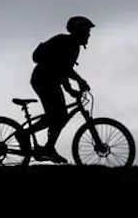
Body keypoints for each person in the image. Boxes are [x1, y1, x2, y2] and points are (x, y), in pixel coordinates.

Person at [28, 16, 94, 163]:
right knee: (57, 116)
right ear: (79, 31)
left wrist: (70, 89)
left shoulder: (72, 46)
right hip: (43, 80)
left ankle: (49, 147)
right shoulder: (67, 43)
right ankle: (27, 136)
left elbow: (62, 70)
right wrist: (80, 81)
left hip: (49, 80)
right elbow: (63, 68)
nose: (89, 34)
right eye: (87, 31)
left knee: (59, 115)